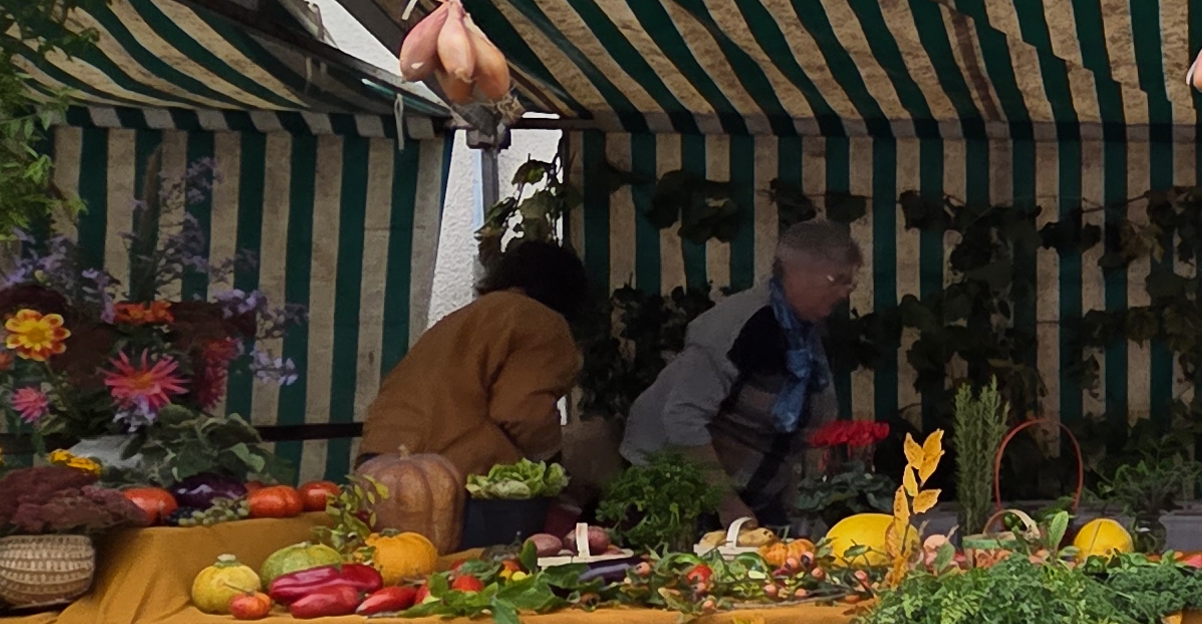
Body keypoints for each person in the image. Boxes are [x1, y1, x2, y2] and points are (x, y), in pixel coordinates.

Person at [621, 219, 862, 524]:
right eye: (838, 279)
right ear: (797, 272)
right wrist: (729, 507)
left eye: (850, 283)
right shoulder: (737, 327)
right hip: (680, 497)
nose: (844, 292)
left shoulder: (802, 332)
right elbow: (683, 418)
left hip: (750, 497)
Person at [356, 239, 588, 482]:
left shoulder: (468, 315)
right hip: (445, 466)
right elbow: (522, 412)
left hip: (378, 456)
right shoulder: (544, 322)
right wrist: (554, 471)